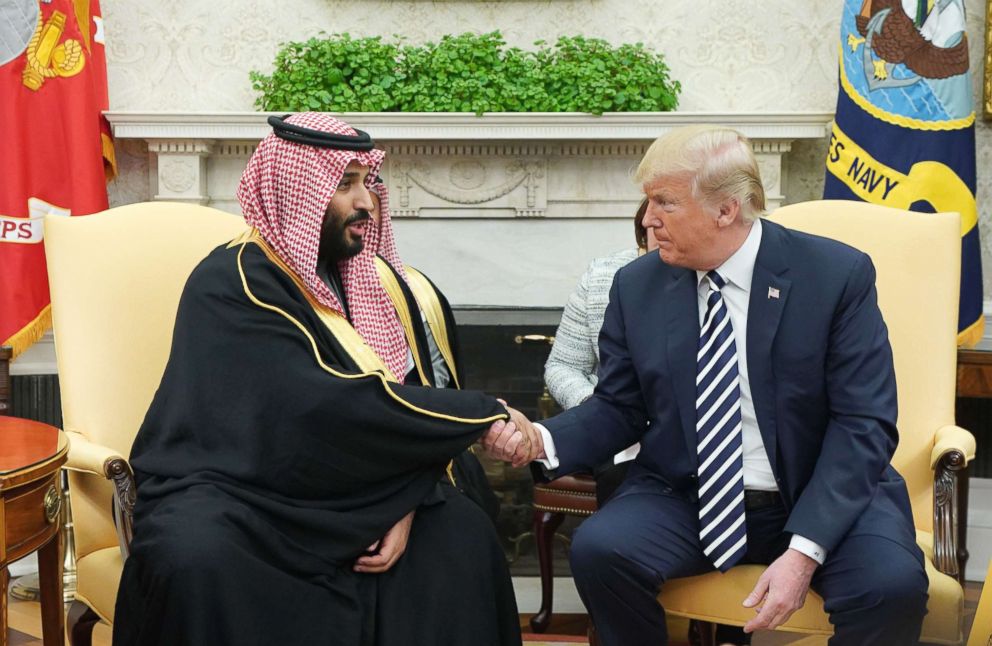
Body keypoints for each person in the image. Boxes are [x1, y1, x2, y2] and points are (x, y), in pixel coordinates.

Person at [487, 124, 928, 646]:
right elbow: (618, 407)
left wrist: (804, 551)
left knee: (891, 588)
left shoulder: (835, 276)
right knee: (602, 550)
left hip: (821, 490)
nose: (648, 220)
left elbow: (863, 424)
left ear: (726, 210)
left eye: (664, 203)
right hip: (688, 494)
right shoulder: (639, 285)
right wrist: (543, 438)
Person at [113, 113, 522, 646]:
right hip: (240, 491)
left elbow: (425, 394)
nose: (366, 203)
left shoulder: (390, 288)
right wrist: (483, 413)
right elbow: (316, 406)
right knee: (194, 556)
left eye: (367, 182)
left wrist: (407, 501)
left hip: (366, 487)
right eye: (344, 184)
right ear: (295, 192)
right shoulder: (232, 283)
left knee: (459, 538)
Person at [543, 198, 653, 505]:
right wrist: (595, 406)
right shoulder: (603, 276)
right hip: (615, 431)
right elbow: (562, 365)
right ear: (642, 236)